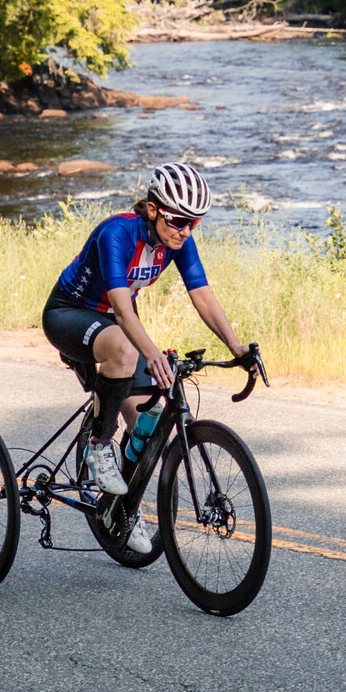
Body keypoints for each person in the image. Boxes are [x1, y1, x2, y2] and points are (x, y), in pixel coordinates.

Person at [43, 161, 248, 552]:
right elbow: (121, 308)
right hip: (70, 313)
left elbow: (202, 295)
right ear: (153, 209)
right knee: (124, 349)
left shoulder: (177, 241)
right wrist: (150, 353)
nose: (185, 231)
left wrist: (236, 347)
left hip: (116, 325)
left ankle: (121, 508)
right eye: (177, 221)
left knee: (147, 422)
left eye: (194, 223)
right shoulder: (117, 232)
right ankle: (98, 447)